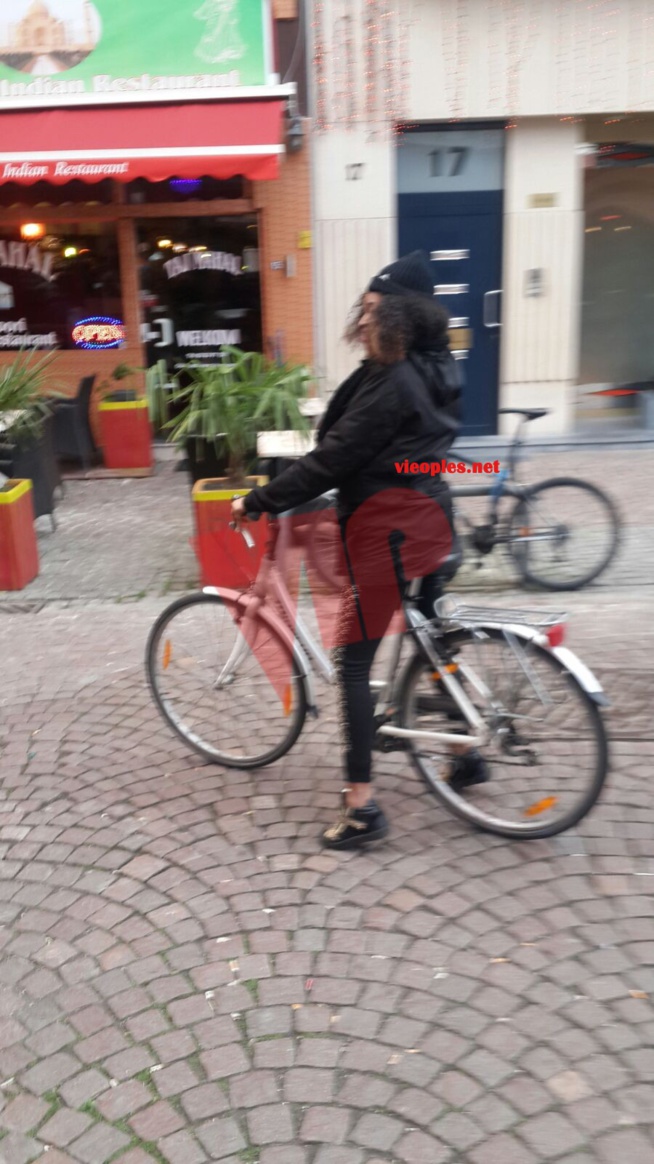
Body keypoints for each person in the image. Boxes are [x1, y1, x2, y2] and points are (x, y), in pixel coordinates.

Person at [231, 251, 462, 849]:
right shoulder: (437, 366)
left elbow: (335, 458)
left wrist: (260, 500)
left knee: (354, 663)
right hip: (431, 519)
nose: (361, 320)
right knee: (433, 641)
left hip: (389, 529)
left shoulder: (394, 378)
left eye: (372, 309)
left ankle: (361, 808)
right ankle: (467, 755)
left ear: (401, 315)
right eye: (362, 308)